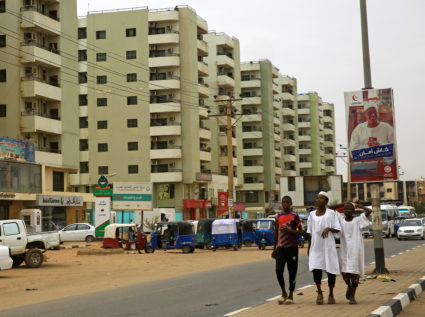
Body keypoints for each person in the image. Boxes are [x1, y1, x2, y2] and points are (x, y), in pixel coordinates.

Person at [331, 202, 372, 304]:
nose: (346, 211)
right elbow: (331, 208)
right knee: (345, 273)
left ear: (353, 211)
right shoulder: (340, 219)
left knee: (354, 273)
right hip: (344, 250)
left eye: (349, 209)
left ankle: (353, 296)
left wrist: (359, 206)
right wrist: (342, 204)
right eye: (345, 209)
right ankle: (349, 286)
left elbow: (369, 211)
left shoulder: (358, 220)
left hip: (355, 250)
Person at [307, 191, 341, 305]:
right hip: (316, 247)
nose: (318, 200)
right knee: (316, 270)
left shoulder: (332, 213)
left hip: (328, 246)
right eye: (317, 198)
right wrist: (309, 248)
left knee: (330, 270)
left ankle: (331, 294)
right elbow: (310, 233)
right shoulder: (311, 215)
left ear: (326, 201)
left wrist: (329, 229)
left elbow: (338, 229)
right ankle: (319, 292)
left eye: (321, 198)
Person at [271, 196, 302, 305]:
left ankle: (291, 295)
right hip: (280, 248)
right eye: (284, 202)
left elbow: (300, 231)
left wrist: (289, 230)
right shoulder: (278, 216)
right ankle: (283, 292)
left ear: (291, 203)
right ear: (281, 204)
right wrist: (274, 249)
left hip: (292, 248)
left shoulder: (295, 216)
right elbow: (276, 233)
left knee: (292, 272)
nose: (285, 204)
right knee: (278, 270)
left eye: (287, 202)